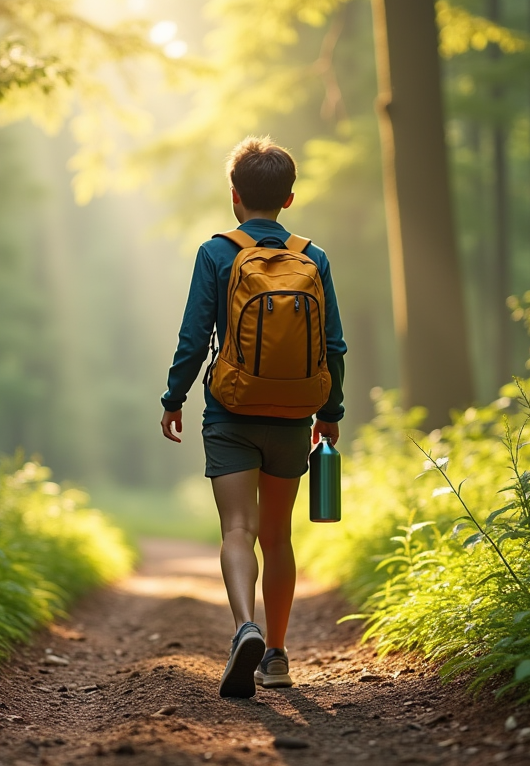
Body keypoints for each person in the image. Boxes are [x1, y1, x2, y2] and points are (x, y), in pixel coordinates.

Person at [159, 136, 346, 699]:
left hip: (231, 412)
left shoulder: (217, 253)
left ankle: (245, 626)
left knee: (237, 529)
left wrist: (174, 398)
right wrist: (330, 414)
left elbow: (194, 338)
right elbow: (333, 345)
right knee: (277, 536)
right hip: (293, 416)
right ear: (289, 198)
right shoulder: (313, 257)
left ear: (234, 196)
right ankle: (278, 656)